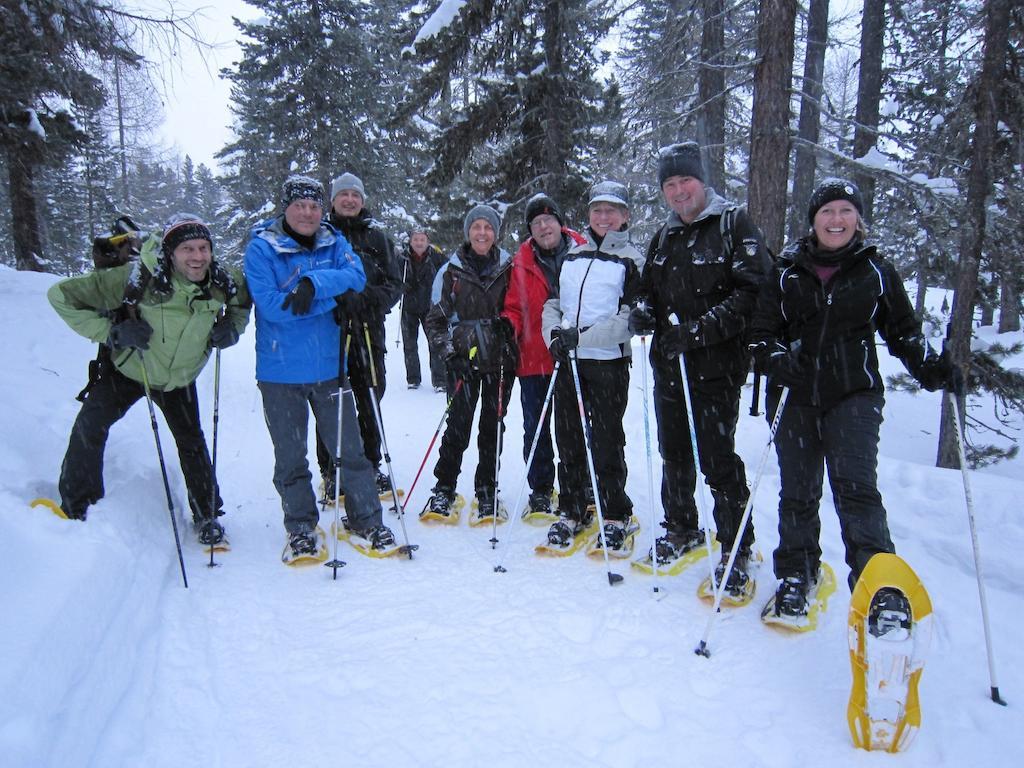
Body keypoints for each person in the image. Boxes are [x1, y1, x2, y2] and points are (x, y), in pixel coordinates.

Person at [749, 177, 955, 618]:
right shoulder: (786, 271)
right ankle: (796, 574)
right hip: (795, 394)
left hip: (853, 394)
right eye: (827, 212)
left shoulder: (874, 270)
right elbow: (760, 334)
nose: (836, 219)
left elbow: (903, 331)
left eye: (845, 211)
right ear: (813, 221)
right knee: (798, 490)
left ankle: (878, 584)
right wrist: (777, 358)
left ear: (858, 219)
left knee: (856, 488)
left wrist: (930, 368)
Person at [48, 214, 251, 547]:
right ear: (171, 252)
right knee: (90, 426)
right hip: (129, 369)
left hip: (179, 379)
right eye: (187, 249)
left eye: (203, 248)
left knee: (192, 443)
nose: (197, 256)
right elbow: (60, 296)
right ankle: (77, 507)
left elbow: (242, 302)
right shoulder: (136, 276)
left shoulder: (223, 280)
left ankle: (207, 515)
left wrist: (233, 328)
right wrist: (112, 332)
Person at [629, 141, 771, 592]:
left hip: (716, 367)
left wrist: (699, 330)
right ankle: (681, 526)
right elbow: (647, 289)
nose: (678, 191)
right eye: (669, 184)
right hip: (670, 366)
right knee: (674, 451)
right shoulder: (664, 236)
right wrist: (642, 312)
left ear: (702, 180)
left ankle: (735, 544)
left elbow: (754, 292)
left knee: (716, 456)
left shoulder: (734, 225)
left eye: (684, 181)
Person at [244, 174, 394, 558]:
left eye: (313, 206)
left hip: (331, 366)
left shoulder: (334, 241)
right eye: (300, 205)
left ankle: (367, 520)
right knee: (291, 458)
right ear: (287, 208)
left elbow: (356, 277)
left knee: (352, 452)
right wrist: (331, 297)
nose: (308, 213)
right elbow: (273, 305)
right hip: (280, 371)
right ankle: (300, 527)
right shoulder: (262, 248)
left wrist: (311, 283)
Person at [541, 181, 644, 553]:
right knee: (567, 438)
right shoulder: (573, 256)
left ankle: (616, 513)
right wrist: (553, 334)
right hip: (568, 362)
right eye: (597, 210)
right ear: (588, 215)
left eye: (612, 210)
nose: (604, 217)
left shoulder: (631, 260)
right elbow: (553, 304)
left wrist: (581, 337)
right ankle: (573, 506)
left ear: (624, 216)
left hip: (607, 364)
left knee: (605, 439)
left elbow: (628, 319)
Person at [423, 204, 516, 521]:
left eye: (488, 228)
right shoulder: (450, 270)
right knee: (458, 426)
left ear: (495, 233)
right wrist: (450, 353)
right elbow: (434, 321)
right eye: (476, 227)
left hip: (499, 363)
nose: (482, 233)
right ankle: (444, 488)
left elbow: (519, 311)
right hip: (462, 362)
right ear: (468, 232)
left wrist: (509, 330)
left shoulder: (508, 267)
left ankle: (487, 490)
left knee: (493, 428)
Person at [316, 172, 403, 498]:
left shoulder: (378, 239)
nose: (350, 200)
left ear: (362, 200)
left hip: (368, 331)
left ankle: (370, 464)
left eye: (355, 194)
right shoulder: (320, 236)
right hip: (331, 332)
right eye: (343, 195)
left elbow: (395, 285)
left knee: (369, 401)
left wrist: (369, 300)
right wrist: (336, 300)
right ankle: (330, 469)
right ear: (334, 201)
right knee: (331, 403)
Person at [501, 193, 585, 520]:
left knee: (574, 428)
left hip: (575, 356)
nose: (544, 226)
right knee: (536, 428)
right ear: (530, 229)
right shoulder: (520, 262)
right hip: (534, 356)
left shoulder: (583, 252)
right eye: (536, 222)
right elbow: (513, 306)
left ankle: (576, 486)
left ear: (560, 223)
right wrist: (507, 325)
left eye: (549, 219)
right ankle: (540, 489)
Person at [399, 227, 448, 392]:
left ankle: (440, 380)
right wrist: (400, 287)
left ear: (427, 241)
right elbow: (392, 276)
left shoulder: (437, 257)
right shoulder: (402, 258)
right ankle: (413, 378)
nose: (419, 243)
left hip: (431, 307)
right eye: (416, 240)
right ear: (410, 241)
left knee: (435, 343)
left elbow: (449, 274)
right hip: (409, 307)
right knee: (409, 344)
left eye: (422, 240)